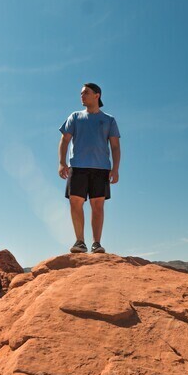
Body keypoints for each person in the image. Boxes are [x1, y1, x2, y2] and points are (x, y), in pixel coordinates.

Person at [58, 83, 121, 254]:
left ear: (97, 95)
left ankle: (96, 243)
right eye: (81, 93)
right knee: (75, 202)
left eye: (86, 92)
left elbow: (115, 146)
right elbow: (64, 140)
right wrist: (62, 162)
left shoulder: (109, 120)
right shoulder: (75, 117)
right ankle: (80, 242)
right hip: (77, 166)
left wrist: (115, 169)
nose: (82, 96)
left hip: (101, 168)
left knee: (97, 205)